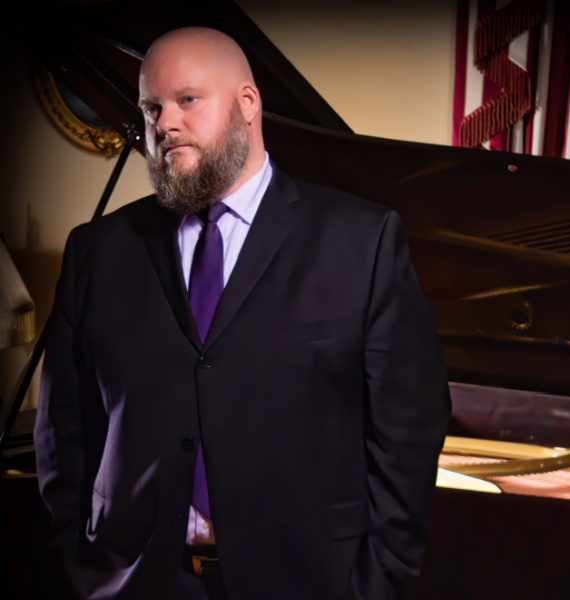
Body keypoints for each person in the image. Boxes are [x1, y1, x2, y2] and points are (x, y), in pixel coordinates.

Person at [34, 26, 450, 600]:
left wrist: (376, 585)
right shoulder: (97, 251)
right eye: (151, 106)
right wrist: (81, 570)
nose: (164, 124)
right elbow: (63, 429)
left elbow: (407, 435)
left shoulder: (362, 242)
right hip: (134, 583)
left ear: (248, 104)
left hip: (307, 584)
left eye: (187, 100)